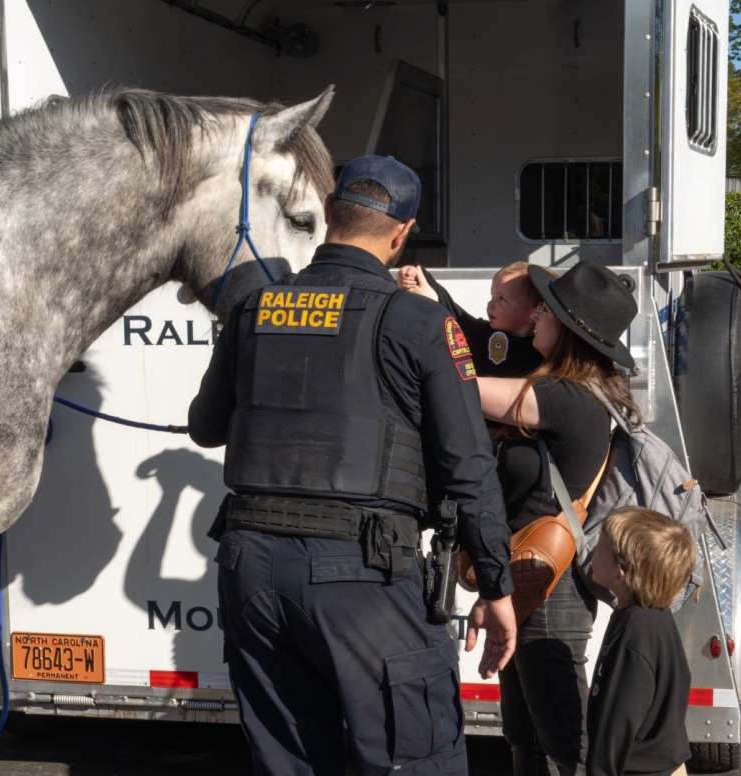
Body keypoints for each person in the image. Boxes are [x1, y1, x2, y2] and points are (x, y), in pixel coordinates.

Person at [187, 154, 518, 776]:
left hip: (252, 566)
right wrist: (498, 585)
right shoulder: (419, 320)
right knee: (410, 758)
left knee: (286, 761)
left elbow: (205, 427)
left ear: (330, 217)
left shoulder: (256, 307)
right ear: (401, 233)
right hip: (363, 572)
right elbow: (468, 464)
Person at [472, 261, 643, 776]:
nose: (537, 317)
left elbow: (462, 386)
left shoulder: (567, 398)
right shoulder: (566, 389)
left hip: (551, 585)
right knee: (524, 733)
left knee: (566, 740)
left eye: (546, 310)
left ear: (567, 330)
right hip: (530, 574)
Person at [585, 507, 695, 776]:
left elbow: (619, 720)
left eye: (600, 546)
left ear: (621, 570)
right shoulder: (652, 617)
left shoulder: (636, 632)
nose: (592, 552)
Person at [398, 261, 545, 377]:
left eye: (501, 299)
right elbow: (456, 315)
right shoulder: (483, 334)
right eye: (492, 296)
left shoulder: (542, 353)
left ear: (533, 313)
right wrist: (417, 274)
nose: (490, 304)